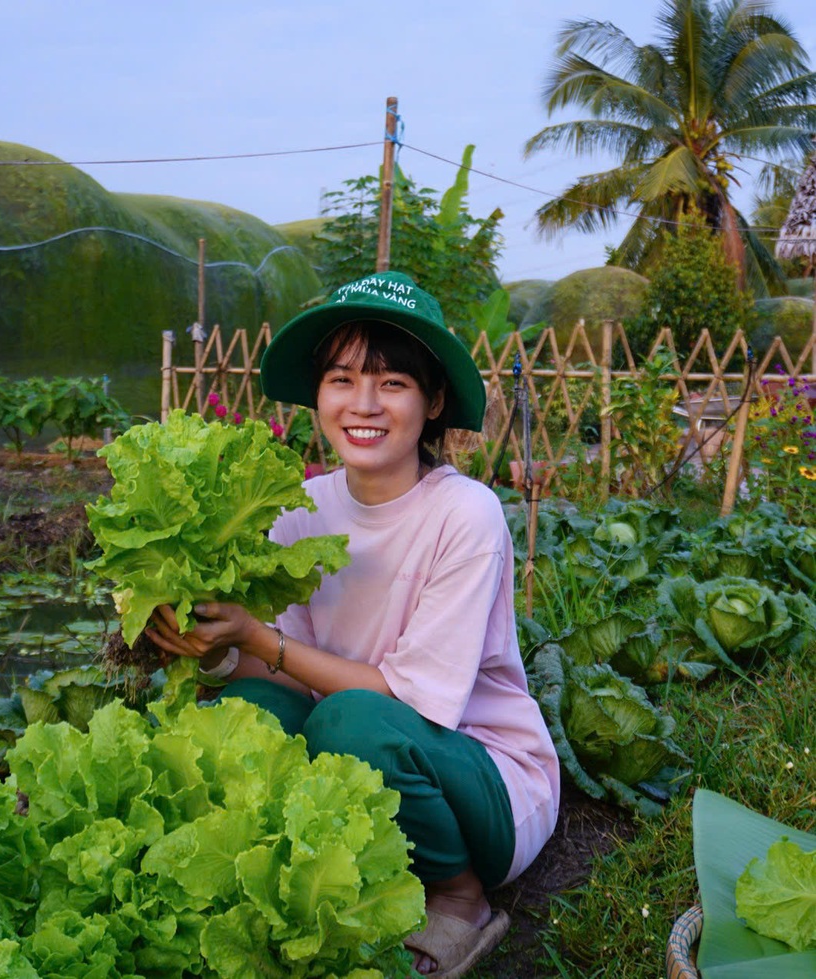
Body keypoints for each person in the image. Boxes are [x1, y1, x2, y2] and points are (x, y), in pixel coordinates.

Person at [144, 271, 560, 978]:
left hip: (483, 778)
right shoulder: (300, 509)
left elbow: (409, 700)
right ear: (319, 395)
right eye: (342, 379)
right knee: (245, 708)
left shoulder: (464, 513)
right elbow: (287, 672)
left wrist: (257, 636)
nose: (364, 404)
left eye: (392, 383)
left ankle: (458, 896)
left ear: (433, 402)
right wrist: (215, 648)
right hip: (361, 750)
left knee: (352, 723)